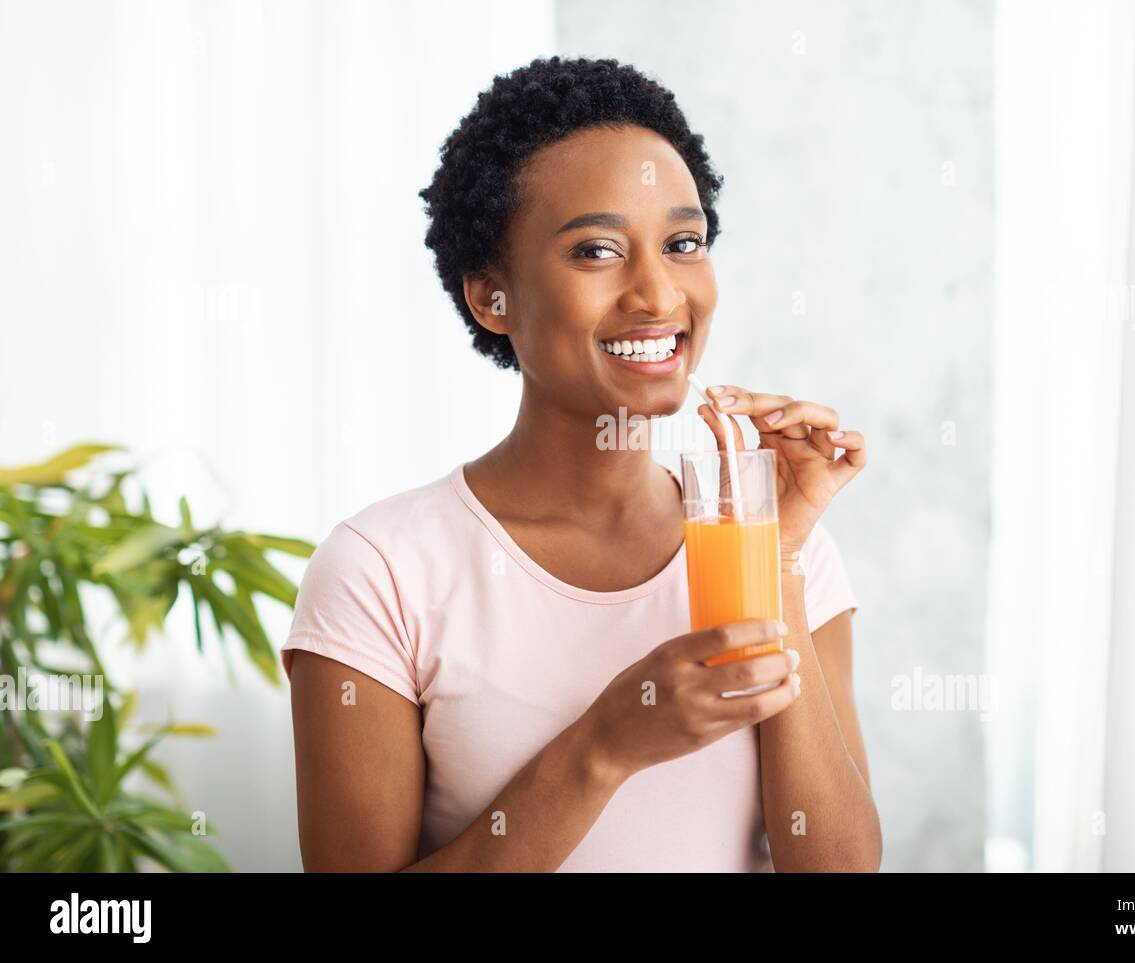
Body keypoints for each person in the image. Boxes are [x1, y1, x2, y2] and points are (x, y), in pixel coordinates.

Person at [282, 56, 880, 872]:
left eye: (682, 243)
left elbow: (840, 867)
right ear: (492, 296)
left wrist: (771, 557)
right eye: (598, 250)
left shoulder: (779, 541)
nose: (659, 295)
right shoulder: (381, 571)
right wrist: (605, 744)